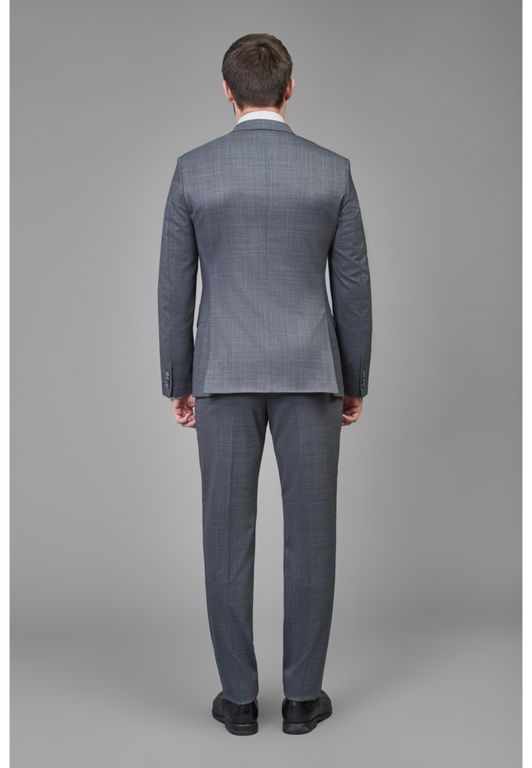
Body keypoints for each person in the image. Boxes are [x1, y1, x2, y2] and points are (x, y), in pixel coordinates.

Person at [157, 32, 372, 735]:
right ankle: (304, 700)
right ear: (290, 87)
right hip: (312, 372)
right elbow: (352, 287)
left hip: (222, 373)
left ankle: (240, 701)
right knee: (312, 537)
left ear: (227, 90)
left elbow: (174, 288)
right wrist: (353, 378)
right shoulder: (331, 172)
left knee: (226, 538)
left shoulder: (195, 171)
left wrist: (179, 379)